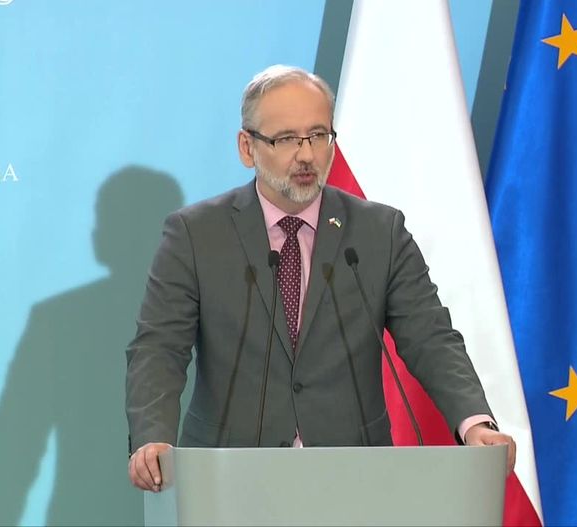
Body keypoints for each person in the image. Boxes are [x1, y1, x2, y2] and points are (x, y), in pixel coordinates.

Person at [126, 65, 516, 492]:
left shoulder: (379, 232)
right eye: (286, 139)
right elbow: (159, 347)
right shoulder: (196, 234)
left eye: (318, 135)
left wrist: (474, 422)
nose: (307, 155)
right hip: (228, 478)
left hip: (355, 478)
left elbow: (430, 337)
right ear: (247, 147)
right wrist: (152, 437)